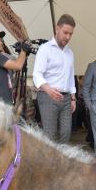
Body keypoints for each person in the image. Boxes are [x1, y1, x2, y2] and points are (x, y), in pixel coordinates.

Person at [33, 14, 77, 143]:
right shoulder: (45, 49)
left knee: (66, 133)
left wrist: (73, 98)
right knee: (50, 135)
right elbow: (37, 74)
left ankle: (61, 162)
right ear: (57, 29)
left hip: (66, 98)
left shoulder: (70, 52)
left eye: (71, 34)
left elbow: (70, 76)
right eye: (65, 32)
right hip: (48, 97)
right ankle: (49, 163)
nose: (68, 37)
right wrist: (49, 90)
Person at [0, 29, 30, 105]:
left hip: (0, 103)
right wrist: (24, 50)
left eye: (1, 40)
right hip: (0, 104)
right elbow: (18, 66)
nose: (1, 43)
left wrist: (23, 53)